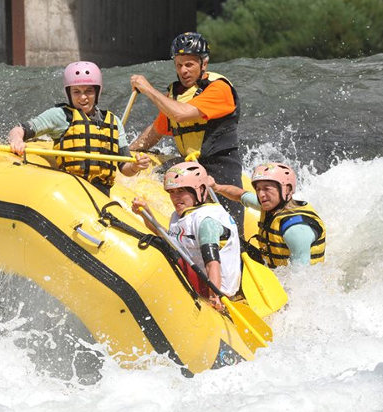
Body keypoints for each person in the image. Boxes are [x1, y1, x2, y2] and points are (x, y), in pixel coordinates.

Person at [128, 32, 245, 235]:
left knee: (231, 233)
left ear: (204, 64)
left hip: (220, 167)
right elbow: (155, 132)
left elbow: (180, 115)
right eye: (179, 64)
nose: (183, 70)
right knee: (154, 175)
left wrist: (147, 89)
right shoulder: (175, 94)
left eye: (189, 64)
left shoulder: (219, 88)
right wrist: (126, 152)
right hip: (188, 167)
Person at [7, 61, 150, 196]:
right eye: (76, 91)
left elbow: (125, 168)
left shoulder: (114, 122)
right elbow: (19, 129)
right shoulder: (61, 115)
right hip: (72, 192)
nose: (83, 97)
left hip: (102, 194)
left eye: (88, 91)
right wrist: (17, 140)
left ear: (97, 92)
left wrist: (136, 166)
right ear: (69, 93)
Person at [132, 162, 241, 311]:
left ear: (200, 190)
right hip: (198, 278)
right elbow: (164, 235)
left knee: (164, 249)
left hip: (216, 287)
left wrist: (215, 296)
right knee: (163, 245)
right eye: (171, 192)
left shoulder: (206, 222)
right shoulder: (181, 216)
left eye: (181, 191)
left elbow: (212, 263)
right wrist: (145, 213)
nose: (175, 198)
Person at [212, 162, 326, 267]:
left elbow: (301, 277)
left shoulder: (296, 230)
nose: (261, 194)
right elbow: (240, 195)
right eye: (258, 189)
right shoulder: (271, 206)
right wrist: (217, 187)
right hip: (273, 268)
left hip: (294, 280)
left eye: (266, 189)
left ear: (286, 190)